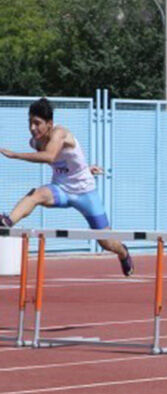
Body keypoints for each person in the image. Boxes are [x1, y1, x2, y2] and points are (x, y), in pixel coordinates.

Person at [0, 98, 134, 276]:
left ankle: (123, 252)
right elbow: (68, 160)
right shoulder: (35, 142)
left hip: (86, 194)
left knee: (105, 242)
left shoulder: (60, 133)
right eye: (30, 123)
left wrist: (15, 155)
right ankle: (6, 223)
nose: (32, 128)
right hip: (61, 190)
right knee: (36, 194)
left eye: (37, 123)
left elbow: (50, 156)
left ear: (49, 124)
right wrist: (85, 168)